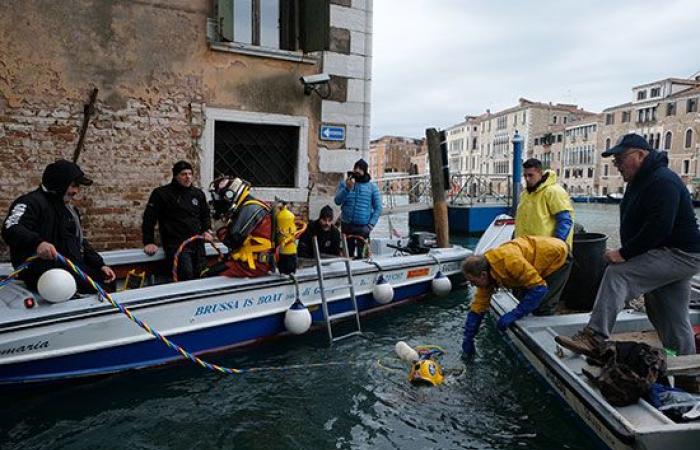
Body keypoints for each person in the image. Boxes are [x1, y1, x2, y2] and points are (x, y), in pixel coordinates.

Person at [555, 133, 700, 358]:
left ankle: (594, 337)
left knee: (617, 274)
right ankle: (688, 371)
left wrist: (624, 253)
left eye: (620, 159)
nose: (616, 165)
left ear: (641, 155)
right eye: (614, 161)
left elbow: (659, 227)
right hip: (670, 254)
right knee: (668, 314)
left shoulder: (663, 181)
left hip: (680, 255)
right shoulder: (641, 180)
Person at [2, 159, 116, 293]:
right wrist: (38, 244)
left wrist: (99, 264)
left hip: (69, 268)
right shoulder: (29, 202)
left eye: (77, 186)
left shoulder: (69, 210)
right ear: (59, 183)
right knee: (97, 288)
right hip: (45, 273)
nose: (76, 191)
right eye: (73, 185)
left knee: (106, 281)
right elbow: (11, 227)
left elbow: (78, 241)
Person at [461, 236, 570, 355]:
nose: (472, 285)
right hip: (533, 259)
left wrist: (515, 313)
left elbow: (539, 288)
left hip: (558, 255)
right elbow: (479, 305)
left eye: (473, 281)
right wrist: (468, 337)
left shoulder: (510, 261)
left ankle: (549, 346)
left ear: (483, 275)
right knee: (523, 298)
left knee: (543, 305)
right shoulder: (486, 272)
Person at [513, 157, 575, 314]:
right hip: (529, 251)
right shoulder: (526, 194)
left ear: (540, 173)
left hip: (548, 252)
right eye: (525, 175)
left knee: (546, 293)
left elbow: (565, 220)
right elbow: (522, 222)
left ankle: (544, 315)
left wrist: (556, 246)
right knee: (527, 288)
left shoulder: (553, 191)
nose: (527, 179)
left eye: (530, 175)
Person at [142, 161, 213, 281]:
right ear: (176, 176)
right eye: (183, 174)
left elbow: (205, 215)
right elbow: (149, 219)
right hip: (176, 245)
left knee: (202, 274)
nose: (188, 177)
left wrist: (207, 230)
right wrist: (149, 241)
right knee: (186, 275)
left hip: (197, 243)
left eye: (190, 174)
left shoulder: (198, 194)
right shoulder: (161, 194)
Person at [204, 176, 275, 278]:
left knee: (210, 275)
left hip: (253, 265)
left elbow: (233, 242)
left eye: (219, 197)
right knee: (208, 267)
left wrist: (220, 228)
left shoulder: (250, 209)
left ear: (230, 195)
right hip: (245, 260)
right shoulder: (246, 206)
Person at [334, 158, 382, 258]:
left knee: (363, 256)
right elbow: (337, 201)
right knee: (347, 255)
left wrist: (370, 225)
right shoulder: (344, 183)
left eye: (361, 169)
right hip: (346, 225)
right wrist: (347, 189)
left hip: (363, 227)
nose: (358, 170)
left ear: (365, 171)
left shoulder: (372, 187)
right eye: (356, 168)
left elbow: (378, 208)